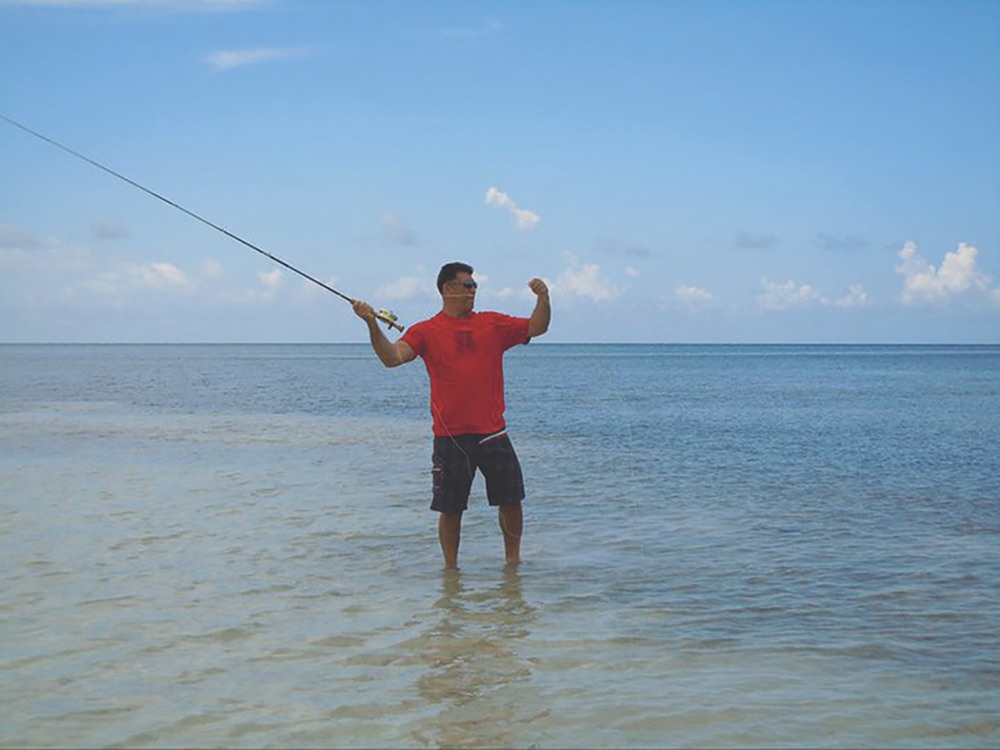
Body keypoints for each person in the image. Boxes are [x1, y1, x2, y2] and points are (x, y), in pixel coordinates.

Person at [352, 262, 551, 569]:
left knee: (511, 500)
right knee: (451, 508)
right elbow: (392, 358)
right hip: (450, 436)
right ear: (448, 288)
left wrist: (543, 299)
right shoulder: (425, 330)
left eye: (475, 286)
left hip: (493, 432)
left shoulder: (493, 324)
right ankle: (450, 571)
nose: (473, 291)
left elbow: (537, 327)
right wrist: (371, 323)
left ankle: (513, 564)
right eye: (467, 285)